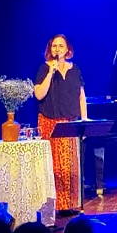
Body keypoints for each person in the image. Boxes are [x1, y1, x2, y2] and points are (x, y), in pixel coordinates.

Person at [34, 34, 87, 215]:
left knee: (70, 166)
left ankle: (69, 204)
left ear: (67, 50)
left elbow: (81, 96)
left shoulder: (75, 69)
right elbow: (39, 95)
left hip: (70, 123)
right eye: (54, 46)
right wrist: (51, 73)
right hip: (50, 122)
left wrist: (84, 121)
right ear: (50, 49)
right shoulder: (44, 68)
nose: (57, 49)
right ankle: (53, 206)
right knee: (54, 165)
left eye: (61, 46)